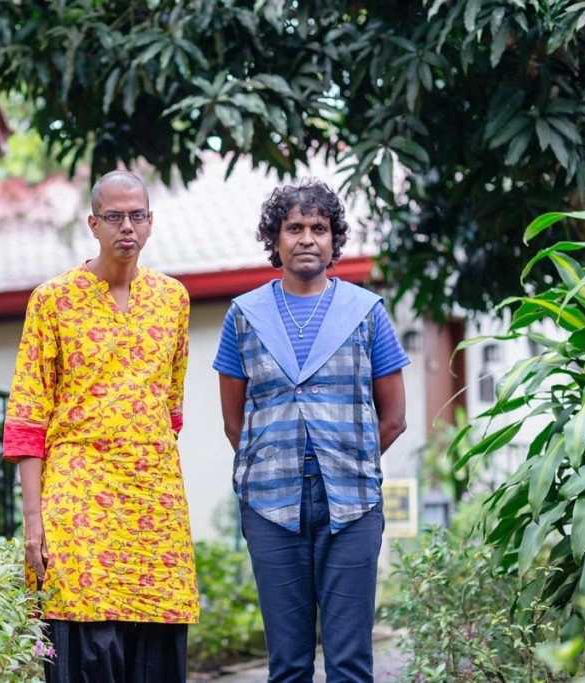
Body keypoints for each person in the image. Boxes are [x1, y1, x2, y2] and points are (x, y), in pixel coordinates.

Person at [3, 170, 199, 682]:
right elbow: (28, 416)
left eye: (137, 216)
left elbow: (170, 408)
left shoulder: (173, 300)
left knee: (155, 641)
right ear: (94, 223)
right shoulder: (52, 300)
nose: (126, 227)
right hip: (77, 497)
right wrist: (33, 522)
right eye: (114, 217)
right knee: (81, 633)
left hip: (153, 503)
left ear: (151, 223)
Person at [213, 180, 408, 682]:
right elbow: (236, 421)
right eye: (293, 228)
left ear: (333, 241)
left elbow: (394, 417)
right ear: (274, 240)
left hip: (353, 503)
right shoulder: (244, 315)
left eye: (318, 228)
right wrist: (276, 461)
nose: (306, 238)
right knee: (289, 664)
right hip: (270, 504)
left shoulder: (367, 312)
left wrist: (345, 457)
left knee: (349, 662)